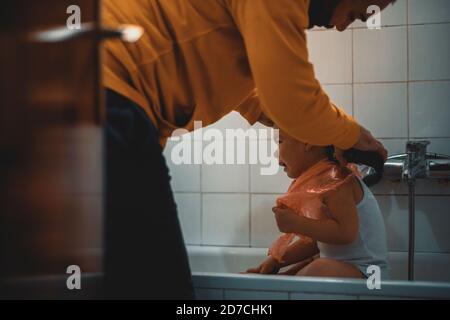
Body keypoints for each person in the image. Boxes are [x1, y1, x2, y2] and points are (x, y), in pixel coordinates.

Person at [101, 0, 394, 299]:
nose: (342, 25)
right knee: (160, 280)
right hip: (106, 96)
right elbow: (292, 98)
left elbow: (261, 96)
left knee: (134, 271)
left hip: (107, 99)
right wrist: (352, 136)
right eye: (354, 13)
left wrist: (327, 132)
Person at [246, 128, 390, 279]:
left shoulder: (336, 179)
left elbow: (345, 234)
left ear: (307, 142)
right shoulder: (323, 180)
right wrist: (278, 260)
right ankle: (284, 282)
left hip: (370, 275)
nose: (277, 156)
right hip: (350, 269)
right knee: (313, 264)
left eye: (280, 141)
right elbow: (319, 242)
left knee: (319, 267)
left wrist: (296, 223)